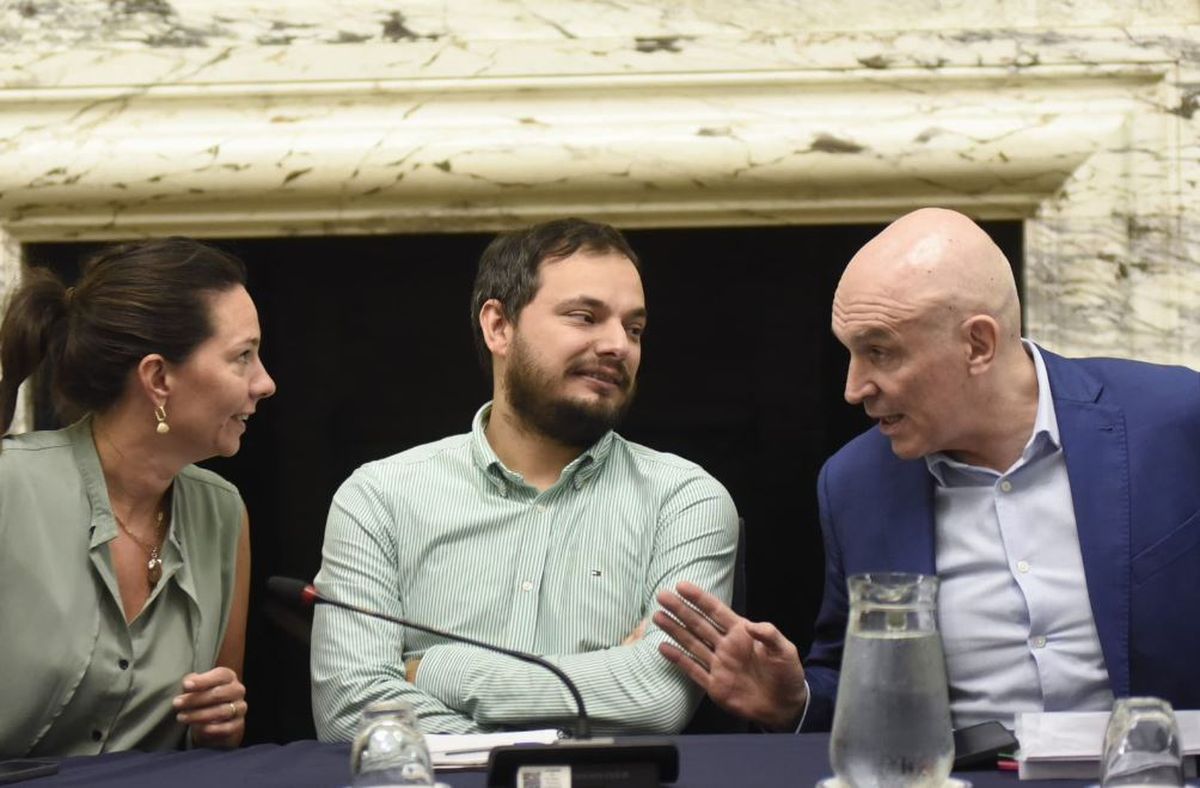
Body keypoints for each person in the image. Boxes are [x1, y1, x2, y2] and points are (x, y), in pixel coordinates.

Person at [655, 207, 1200, 731]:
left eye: (880, 351)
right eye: (850, 352)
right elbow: (855, 683)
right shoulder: (855, 484)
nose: (854, 388)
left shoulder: (1172, 420)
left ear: (978, 343)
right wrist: (795, 702)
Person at [311, 218, 738, 739]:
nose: (618, 346)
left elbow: (656, 696)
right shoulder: (379, 498)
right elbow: (349, 708)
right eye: (585, 317)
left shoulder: (686, 500)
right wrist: (532, 745)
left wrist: (438, 670)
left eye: (634, 328)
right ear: (499, 327)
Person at [0, 238, 276, 757]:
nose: (265, 383)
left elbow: (213, 737)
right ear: (157, 378)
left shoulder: (224, 514)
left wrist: (221, 720)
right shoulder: (10, 490)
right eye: (243, 356)